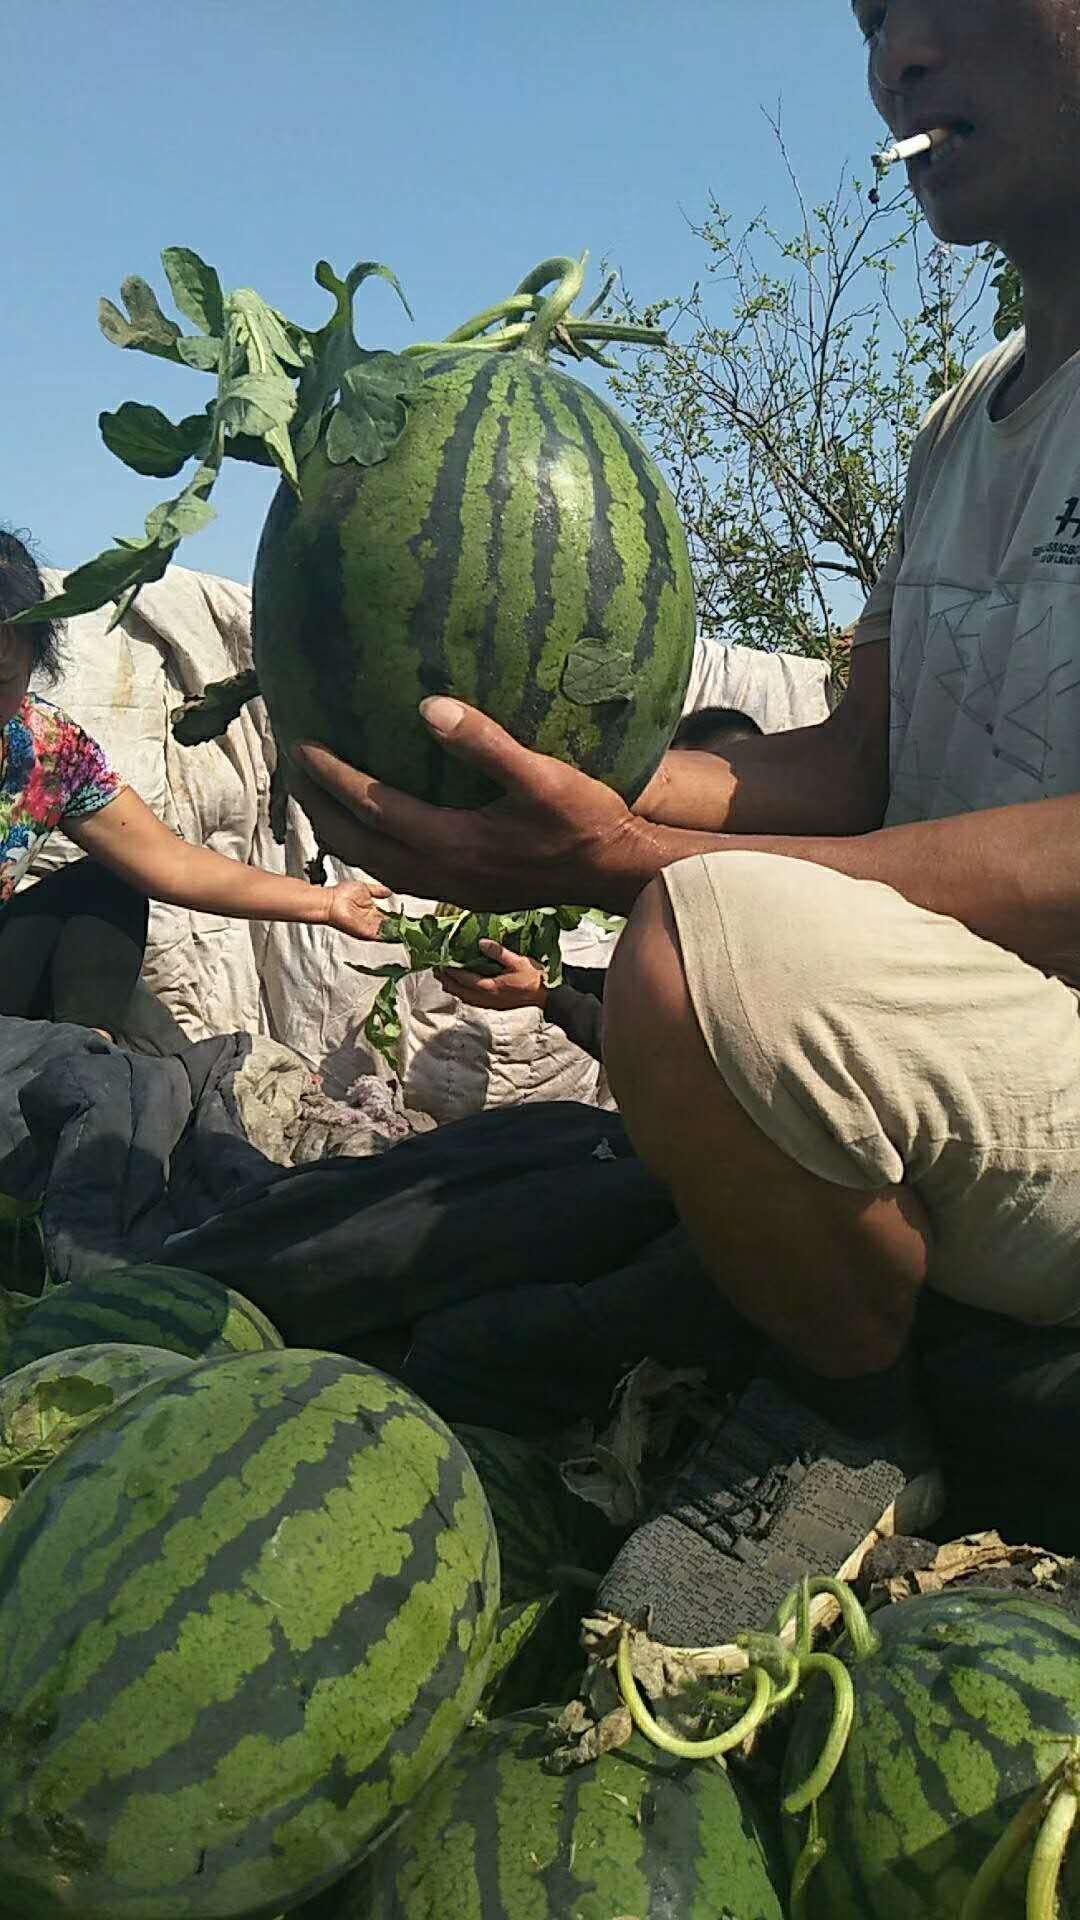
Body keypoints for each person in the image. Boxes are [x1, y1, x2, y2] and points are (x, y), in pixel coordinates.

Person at [288, 0, 1080, 1646]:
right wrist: (532, 764)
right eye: (874, 22)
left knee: (703, 946)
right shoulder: (962, 424)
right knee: (699, 939)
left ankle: (852, 1420)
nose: (901, 61)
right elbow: (851, 769)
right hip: (962, 1057)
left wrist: (648, 868)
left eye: (947, 5)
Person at [0, 531, 386, 1040]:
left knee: (107, 885)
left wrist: (325, 904)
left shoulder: (47, 749)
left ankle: (79, 1069)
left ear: (33, 658)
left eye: (4, 679)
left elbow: (169, 862)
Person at [439, 708, 765, 1061]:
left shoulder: (753, 918)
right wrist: (548, 978)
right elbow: (642, 991)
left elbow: (668, 1054)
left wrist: (550, 997)